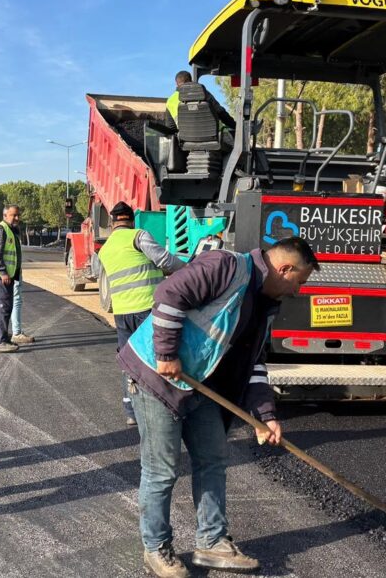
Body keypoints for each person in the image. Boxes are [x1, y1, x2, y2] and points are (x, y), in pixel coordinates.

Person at [117, 237, 317, 578]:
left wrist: (264, 416)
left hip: (200, 384)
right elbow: (169, 295)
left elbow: (254, 363)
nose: (297, 292)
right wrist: (166, 353)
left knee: (212, 459)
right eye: (299, 282)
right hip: (156, 375)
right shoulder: (225, 266)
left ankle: (211, 542)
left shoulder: (265, 305)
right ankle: (156, 549)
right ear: (284, 269)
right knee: (162, 470)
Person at [95, 201, 185, 426]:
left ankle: (131, 411)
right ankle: (164, 408)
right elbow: (163, 260)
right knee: (159, 357)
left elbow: (97, 271)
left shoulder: (104, 249)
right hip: (146, 308)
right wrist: (188, 269)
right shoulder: (138, 236)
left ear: (114, 222)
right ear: (131, 220)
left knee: (130, 360)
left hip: (122, 312)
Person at [0, 204, 25, 352]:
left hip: (6, 277)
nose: (16, 218)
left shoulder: (11, 230)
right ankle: (1, 341)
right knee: (2, 308)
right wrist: (3, 272)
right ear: (5, 215)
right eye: (13, 215)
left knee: (7, 307)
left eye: (17, 215)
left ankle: (4, 337)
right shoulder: (1, 229)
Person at [164, 70, 236, 134]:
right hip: (211, 137)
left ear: (176, 83)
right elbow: (221, 113)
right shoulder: (203, 92)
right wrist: (235, 126)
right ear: (191, 81)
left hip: (185, 141)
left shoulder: (170, 101)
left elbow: (171, 128)